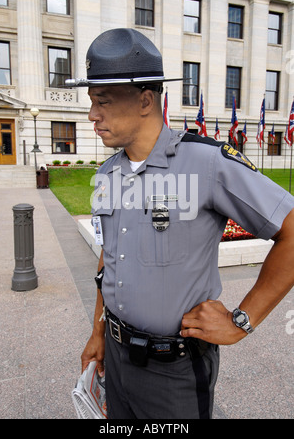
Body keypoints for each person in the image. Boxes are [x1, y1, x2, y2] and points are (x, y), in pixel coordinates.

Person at [67, 28, 294, 419]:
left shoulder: (207, 162)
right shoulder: (108, 172)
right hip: (117, 359)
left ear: (145, 100)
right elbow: (110, 259)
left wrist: (242, 321)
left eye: (102, 101)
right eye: (92, 102)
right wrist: (99, 331)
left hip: (174, 371)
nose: (92, 115)